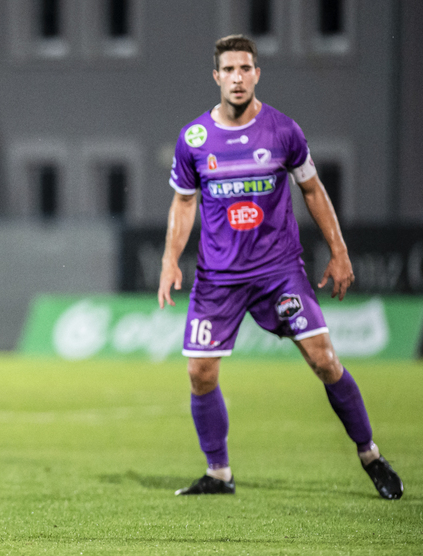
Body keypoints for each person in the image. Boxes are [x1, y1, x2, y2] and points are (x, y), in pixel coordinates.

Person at [158, 35, 403, 499]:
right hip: (219, 279)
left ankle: (370, 454)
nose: (237, 78)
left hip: (278, 272)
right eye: (229, 70)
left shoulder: (283, 131)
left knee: (324, 360)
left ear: (256, 73)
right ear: (216, 76)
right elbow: (184, 202)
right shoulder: (194, 140)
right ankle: (218, 473)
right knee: (199, 373)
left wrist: (339, 250)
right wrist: (170, 259)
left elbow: (312, 190)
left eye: (245, 68)